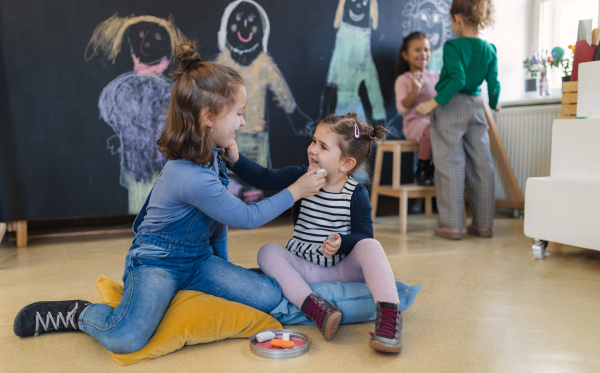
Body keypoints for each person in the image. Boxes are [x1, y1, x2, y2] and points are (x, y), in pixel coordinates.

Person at [13, 43, 327, 354]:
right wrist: (296, 191)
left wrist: (224, 267)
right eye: (239, 114)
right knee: (126, 338)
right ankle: (78, 313)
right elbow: (246, 217)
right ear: (208, 117)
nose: (243, 123)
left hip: (198, 260)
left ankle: (191, 288)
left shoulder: (211, 156)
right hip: (157, 263)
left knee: (268, 296)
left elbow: (214, 221)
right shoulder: (190, 177)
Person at [224, 113, 403, 354]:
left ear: (345, 164)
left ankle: (389, 320)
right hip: (305, 267)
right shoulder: (302, 175)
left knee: (371, 246)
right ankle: (317, 309)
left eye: (323, 146)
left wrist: (342, 243)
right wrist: (235, 160)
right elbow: (264, 177)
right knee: (268, 252)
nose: (313, 150)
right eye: (313, 141)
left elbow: (363, 235)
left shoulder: (355, 193)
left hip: (340, 268)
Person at [415, 0, 500, 240]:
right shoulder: (490, 48)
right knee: (482, 164)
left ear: (457, 19)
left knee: (450, 164)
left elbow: (457, 79)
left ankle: (451, 225)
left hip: (450, 106)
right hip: (476, 106)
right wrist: (494, 104)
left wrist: (432, 104)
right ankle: (484, 224)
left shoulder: (453, 46)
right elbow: (493, 84)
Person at [395, 31, 439, 186]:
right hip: (415, 123)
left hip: (437, 121)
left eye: (426, 49)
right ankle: (423, 168)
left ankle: (440, 169)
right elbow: (402, 108)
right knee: (431, 128)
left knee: (442, 128)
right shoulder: (404, 79)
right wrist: (415, 89)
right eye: (417, 50)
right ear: (405, 55)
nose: (423, 54)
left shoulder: (437, 76)